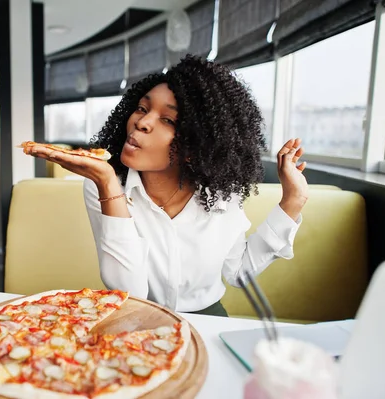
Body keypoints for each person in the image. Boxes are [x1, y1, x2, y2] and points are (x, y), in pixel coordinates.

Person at [25, 55, 308, 317]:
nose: (142, 122)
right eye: (142, 108)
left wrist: (292, 200)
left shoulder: (222, 193)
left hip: (207, 322)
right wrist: (107, 184)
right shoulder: (104, 185)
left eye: (168, 119)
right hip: (134, 318)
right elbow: (131, 293)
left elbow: (239, 272)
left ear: (196, 144)